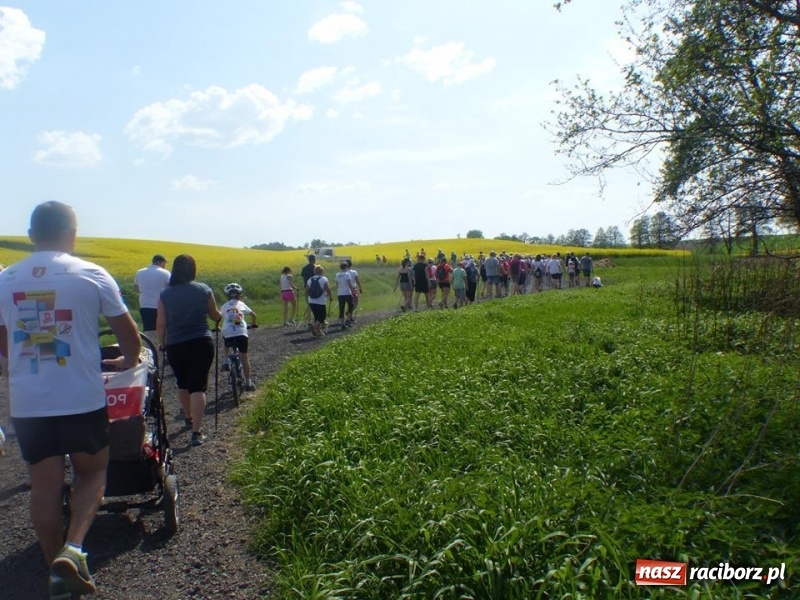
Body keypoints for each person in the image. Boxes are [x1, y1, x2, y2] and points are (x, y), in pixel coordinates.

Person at [0, 201, 141, 598]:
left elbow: (3, 344)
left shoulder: (5, 279)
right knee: (93, 472)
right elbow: (129, 337)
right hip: (81, 397)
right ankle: (74, 548)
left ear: (31, 236)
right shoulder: (92, 274)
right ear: (73, 235)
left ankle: (55, 571)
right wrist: (129, 361)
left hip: (29, 403)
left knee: (43, 486)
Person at [156, 254, 221, 448]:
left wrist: (162, 343)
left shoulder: (165, 294)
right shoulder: (204, 289)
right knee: (198, 386)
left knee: (182, 383)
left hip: (176, 344)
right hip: (201, 341)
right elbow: (214, 315)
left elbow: (161, 323)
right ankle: (197, 432)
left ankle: (188, 416)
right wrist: (219, 317)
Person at [219, 283, 257, 391]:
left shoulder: (224, 306)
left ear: (227, 296)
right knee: (244, 357)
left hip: (228, 332)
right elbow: (253, 315)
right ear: (239, 295)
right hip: (241, 332)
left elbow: (219, 317)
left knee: (225, 339)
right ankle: (248, 382)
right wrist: (253, 324)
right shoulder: (241, 304)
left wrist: (218, 327)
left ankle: (226, 361)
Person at [133, 254, 170, 343]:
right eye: (164, 263)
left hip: (145, 306)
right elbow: (169, 289)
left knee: (149, 332)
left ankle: (151, 349)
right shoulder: (166, 273)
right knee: (163, 330)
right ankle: (162, 348)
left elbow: (136, 288)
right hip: (161, 307)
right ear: (159, 262)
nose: (164, 265)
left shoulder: (140, 272)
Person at [306, 265, 333, 337]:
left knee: (316, 316)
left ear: (314, 272)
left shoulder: (310, 279)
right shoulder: (324, 279)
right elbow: (328, 289)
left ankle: (318, 333)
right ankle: (315, 327)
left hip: (311, 301)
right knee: (322, 316)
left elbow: (306, 291)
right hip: (321, 301)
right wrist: (330, 296)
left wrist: (311, 297)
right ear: (322, 271)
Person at [345, 260, 363, 324]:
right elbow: (357, 280)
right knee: (355, 303)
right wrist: (360, 288)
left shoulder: (344, 273)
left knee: (350, 303)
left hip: (346, 290)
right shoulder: (354, 272)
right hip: (353, 289)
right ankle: (349, 313)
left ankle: (350, 316)